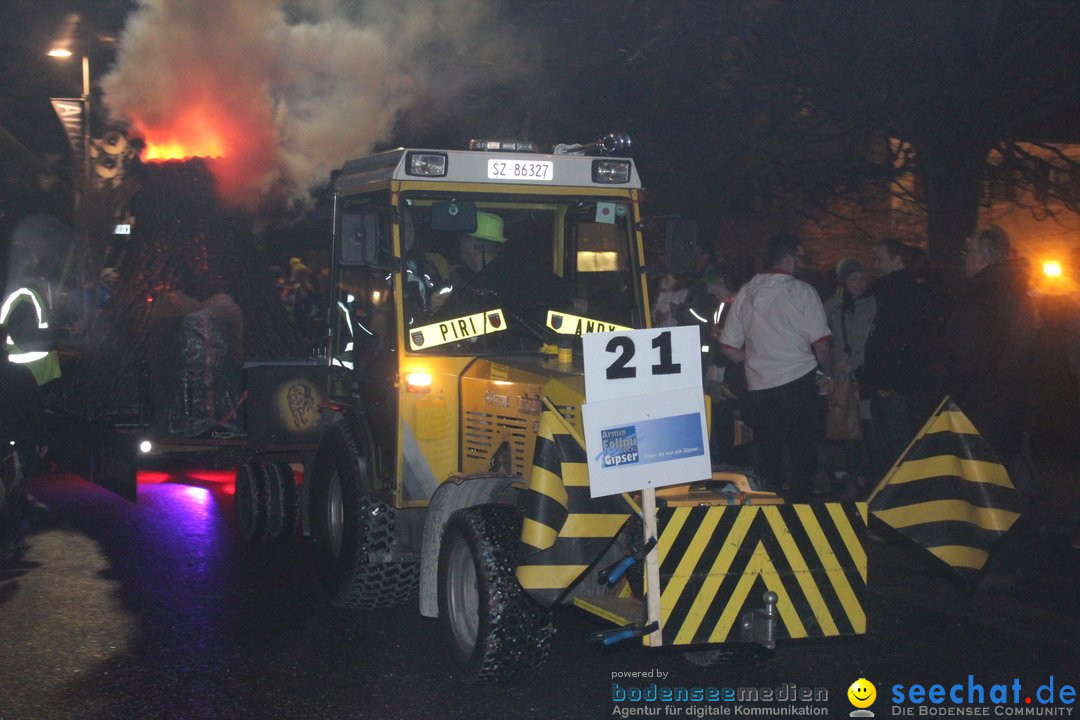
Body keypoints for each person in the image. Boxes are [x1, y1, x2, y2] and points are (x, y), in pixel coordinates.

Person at [719, 234, 832, 502]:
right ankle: (800, 508)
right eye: (801, 258)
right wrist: (827, 375)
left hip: (760, 387)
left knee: (768, 451)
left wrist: (755, 358)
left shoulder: (747, 291)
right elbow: (822, 345)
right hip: (799, 381)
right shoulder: (802, 291)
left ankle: (771, 505)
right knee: (802, 450)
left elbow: (728, 345)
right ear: (790, 260)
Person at [944, 226, 1038, 494]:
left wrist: (952, 398)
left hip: (978, 406)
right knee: (1005, 477)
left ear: (984, 257)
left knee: (980, 487)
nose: (964, 257)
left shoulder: (976, 297)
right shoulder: (1021, 296)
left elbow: (962, 358)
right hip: (1013, 404)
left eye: (968, 251)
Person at [861, 237, 937, 472]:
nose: (875, 266)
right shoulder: (894, 291)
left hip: (894, 390)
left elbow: (898, 340)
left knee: (896, 453)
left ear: (897, 261)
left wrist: (886, 381)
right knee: (891, 452)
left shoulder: (898, 293)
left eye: (880, 259)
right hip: (894, 387)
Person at [823, 257, 877, 496]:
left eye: (862, 278)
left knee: (863, 424)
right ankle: (851, 472)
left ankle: (864, 474)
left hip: (860, 373)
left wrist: (853, 362)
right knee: (845, 422)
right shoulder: (837, 307)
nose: (859, 283)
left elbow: (867, 342)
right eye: (853, 279)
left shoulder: (871, 305)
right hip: (842, 374)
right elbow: (824, 317)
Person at [0, 323, 47, 558]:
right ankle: (12, 540)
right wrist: (40, 438)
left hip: (11, 442)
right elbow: (35, 409)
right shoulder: (20, 375)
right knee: (15, 493)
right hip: (15, 443)